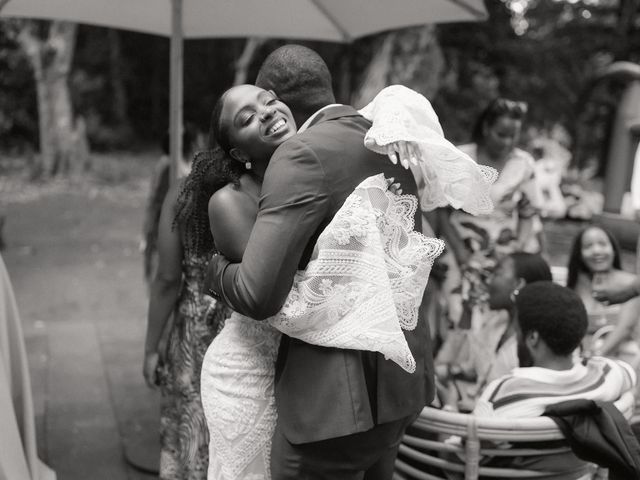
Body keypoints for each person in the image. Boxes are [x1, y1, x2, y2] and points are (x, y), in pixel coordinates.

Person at [202, 45, 495, 480]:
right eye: (247, 115)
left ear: (280, 96)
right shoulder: (385, 136)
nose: (264, 112)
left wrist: (212, 271)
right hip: (398, 382)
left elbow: (259, 294)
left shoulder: (302, 154)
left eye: (266, 98)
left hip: (338, 400)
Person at [143, 157, 228, 478]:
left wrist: (151, 349)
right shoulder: (256, 188)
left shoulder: (183, 193)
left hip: (192, 334)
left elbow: (167, 279)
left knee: (190, 427)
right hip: (241, 323)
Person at [440, 98, 541, 329]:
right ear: (486, 128)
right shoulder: (459, 157)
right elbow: (441, 211)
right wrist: (462, 254)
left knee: (495, 316)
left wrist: (517, 252)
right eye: (501, 134)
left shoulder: (524, 164)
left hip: (504, 254)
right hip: (460, 249)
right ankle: (452, 365)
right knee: (457, 311)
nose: (508, 142)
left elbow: (528, 213)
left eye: (513, 135)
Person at [474, 281, 636, 418]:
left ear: (533, 338)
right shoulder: (607, 374)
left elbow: (472, 441)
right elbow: (629, 374)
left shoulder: (501, 395)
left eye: (517, 332)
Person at [434, 252, 552, 411]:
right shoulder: (496, 323)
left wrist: (451, 405)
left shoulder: (535, 343)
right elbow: (460, 366)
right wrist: (467, 316)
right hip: (471, 410)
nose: (488, 281)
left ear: (518, 285)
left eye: (497, 273)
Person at [567, 226, 640, 365]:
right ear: (580, 254)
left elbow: (625, 328)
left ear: (613, 249)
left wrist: (595, 358)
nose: (596, 251)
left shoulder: (631, 285)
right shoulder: (575, 287)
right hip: (582, 361)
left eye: (602, 244)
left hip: (623, 363)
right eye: (588, 246)